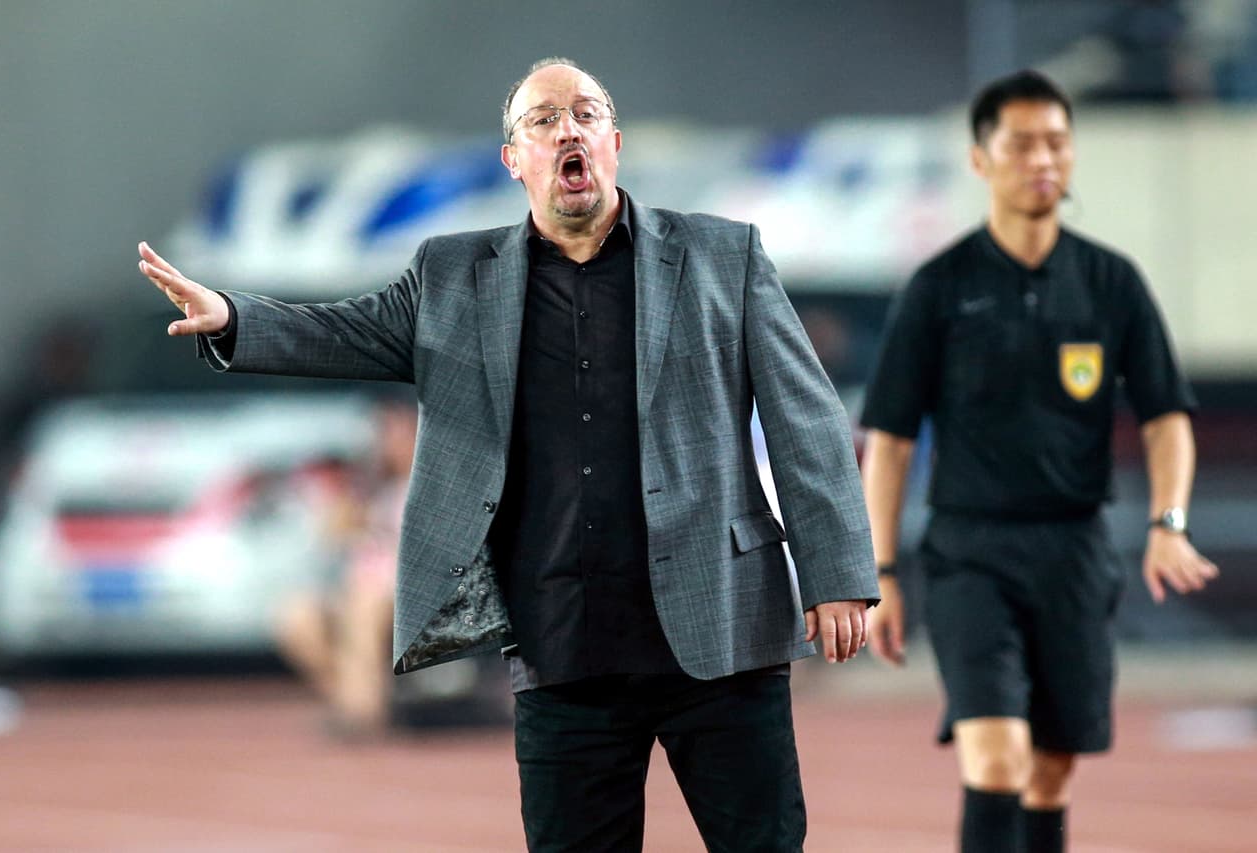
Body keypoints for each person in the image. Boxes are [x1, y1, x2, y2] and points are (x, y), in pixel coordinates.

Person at [138, 57, 877, 852]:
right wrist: (230, 318)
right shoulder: (453, 276)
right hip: (564, 650)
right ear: (514, 159)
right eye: (544, 119)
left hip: (722, 632)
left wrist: (836, 572)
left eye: (586, 114)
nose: (569, 128)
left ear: (615, 143)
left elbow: (809, 418)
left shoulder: (719, 256)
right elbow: (346, 331)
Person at [859, 69, 1218, 853]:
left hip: (1075, 552)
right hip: (969, 554)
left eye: (1056, 141)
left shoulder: (1111, 282)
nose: (1042, 158)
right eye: (1020, 144)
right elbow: (888, 440)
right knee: (996, 756)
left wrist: (1170, 521)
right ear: (982, 160)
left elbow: (1166, 418)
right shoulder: (939, 288)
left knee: (1051, 769)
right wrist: (879, 573)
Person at [275, 396, 417, 738]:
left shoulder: (436, 490)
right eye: (385, 434)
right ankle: (354, 700)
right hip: (360, 590)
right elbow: (330, 537)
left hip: (411, 597)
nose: (392, 443)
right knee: (297, 615)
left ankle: (363, 714)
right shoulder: (368, 490)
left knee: (366, 606)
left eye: (401, 433)